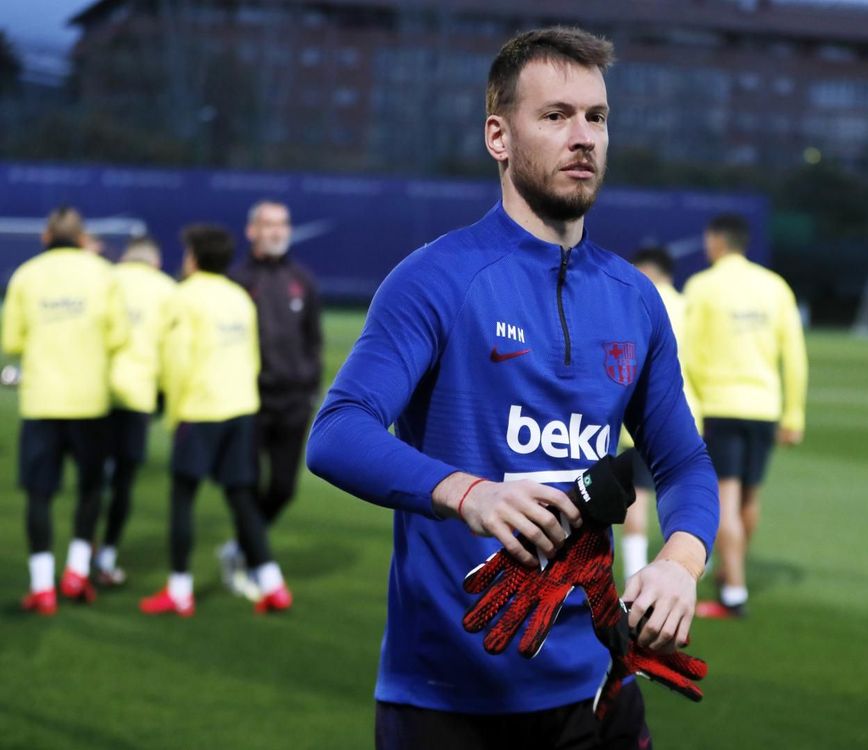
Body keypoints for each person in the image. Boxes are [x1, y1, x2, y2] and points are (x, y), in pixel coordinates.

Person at [306, 26, 718, 750]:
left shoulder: (635, 298)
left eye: (597, 117)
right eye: (555, 116)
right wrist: (472, 494)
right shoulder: (437, 279)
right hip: (447, 698)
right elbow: (339, 431)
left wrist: (679, 562)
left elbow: (682, 462)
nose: (583, 136)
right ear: (499, 136)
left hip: (598, 690)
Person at [139, 225, 292, 617]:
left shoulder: (183, 297)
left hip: (200, 408)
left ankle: (179, 590)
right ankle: (273, 585)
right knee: (241, 496)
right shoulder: (239, 296)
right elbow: (252, 356)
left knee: (183, 498)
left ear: (194, 257)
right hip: (240, 408)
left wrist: (173, 412)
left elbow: (176, 360)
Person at [2, 206, 128, 614]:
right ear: (81, 237)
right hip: (90, 402)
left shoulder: (26, 275)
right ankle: (76, 573)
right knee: (90, 489)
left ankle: (42, 587)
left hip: (41, 402)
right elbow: (119, 336)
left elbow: (12, 343)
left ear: (44, 237)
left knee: (39, 493)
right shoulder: (103, 274)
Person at [683, 213, 808, 619]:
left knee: (725, 502)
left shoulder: (702, 287)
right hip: (764, 407)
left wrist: (691, 411)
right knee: (750, 498)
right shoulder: (775, 287)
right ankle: (730, 571)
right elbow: (795, 355)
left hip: (720, 404)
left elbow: (682, 354)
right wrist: (794, 412)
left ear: (716, 240)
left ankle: (733, 593)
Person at [225, 200, 322, 597]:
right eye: (268, 224)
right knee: (245, 485)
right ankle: (252, 560)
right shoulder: (236, 280)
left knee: (283, 488)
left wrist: (311, 386)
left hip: (294, 403)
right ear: (251, 231)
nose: (277, 231)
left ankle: (239, 548)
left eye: (282, 223)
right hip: (249, 402)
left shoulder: (302, 279)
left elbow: (312, 340)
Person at [96, 235, 177, 586]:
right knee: (123, 485)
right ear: (155, 261)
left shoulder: (104, 278)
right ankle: (107, 557)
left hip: (95, 395)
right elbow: (173, 349)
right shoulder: (167, 289)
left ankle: (78, 559)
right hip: (139, 397)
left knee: (92, 483)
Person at [617, 247, 702, 581]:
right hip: (686, 415)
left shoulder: (632, 303)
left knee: (637, 498)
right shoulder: (690, 308)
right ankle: (690, 568)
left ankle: (636, 576)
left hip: (638, 420)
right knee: (687, 496)